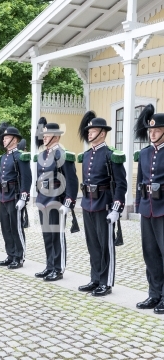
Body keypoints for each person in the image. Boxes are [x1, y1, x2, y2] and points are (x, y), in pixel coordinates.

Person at [77, 111, 127, 296]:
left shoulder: (111, 154)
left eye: (93, 131)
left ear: (103, 133)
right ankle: (95, 278)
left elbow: (121, 183)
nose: (89, 133)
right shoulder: (88, 155)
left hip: (104, 205)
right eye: (89, 131)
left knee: (106, 246)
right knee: (93, 245)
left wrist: (116, 208)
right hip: (88, 204)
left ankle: (106, 282)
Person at [33, 118, 78, 281]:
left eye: (48, 135)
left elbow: (71, 180)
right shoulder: (43, 154)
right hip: (44, 200)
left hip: (57, 200)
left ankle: (58, 268)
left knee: (56, 235)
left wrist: (69, 202)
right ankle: (50, 265)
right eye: (44, 135)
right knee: (47, 235)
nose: (44, 137)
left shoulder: (62, 154)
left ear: (57, 137)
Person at [134, 104, 164, 313]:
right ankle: (154, 294)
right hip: (148, 208)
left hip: (163, 209)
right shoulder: (144, 153)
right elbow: (140, 182)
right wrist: (138, 205)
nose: (152, 134)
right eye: (150, 131)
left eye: (157, 130)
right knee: (150, 253)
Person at [0, 124, 32, 269]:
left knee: (16, 228)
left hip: (15, 196)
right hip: (4, 196)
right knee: (6, 228)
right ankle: (10, 255)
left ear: (15, 140)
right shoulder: (4, 157)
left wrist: (24, 197)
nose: (4, 140)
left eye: (7, 138)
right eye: (3, 138)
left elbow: (26, 177)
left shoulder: (19, 156)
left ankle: (19, 256)